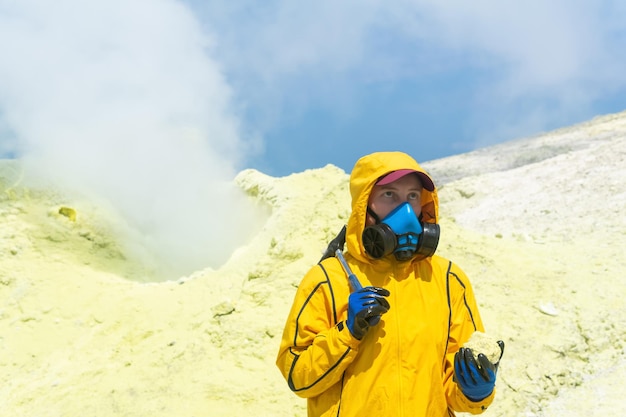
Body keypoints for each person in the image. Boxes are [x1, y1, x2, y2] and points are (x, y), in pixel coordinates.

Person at [276, 151, 504, 416]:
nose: (405, 210)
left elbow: (455, 391)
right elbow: (298, 376)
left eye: (413, 196)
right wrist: (347, 332)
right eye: (389, 195)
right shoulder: (328, 279)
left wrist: (476, 391)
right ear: (364, 204)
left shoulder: (448, 279)